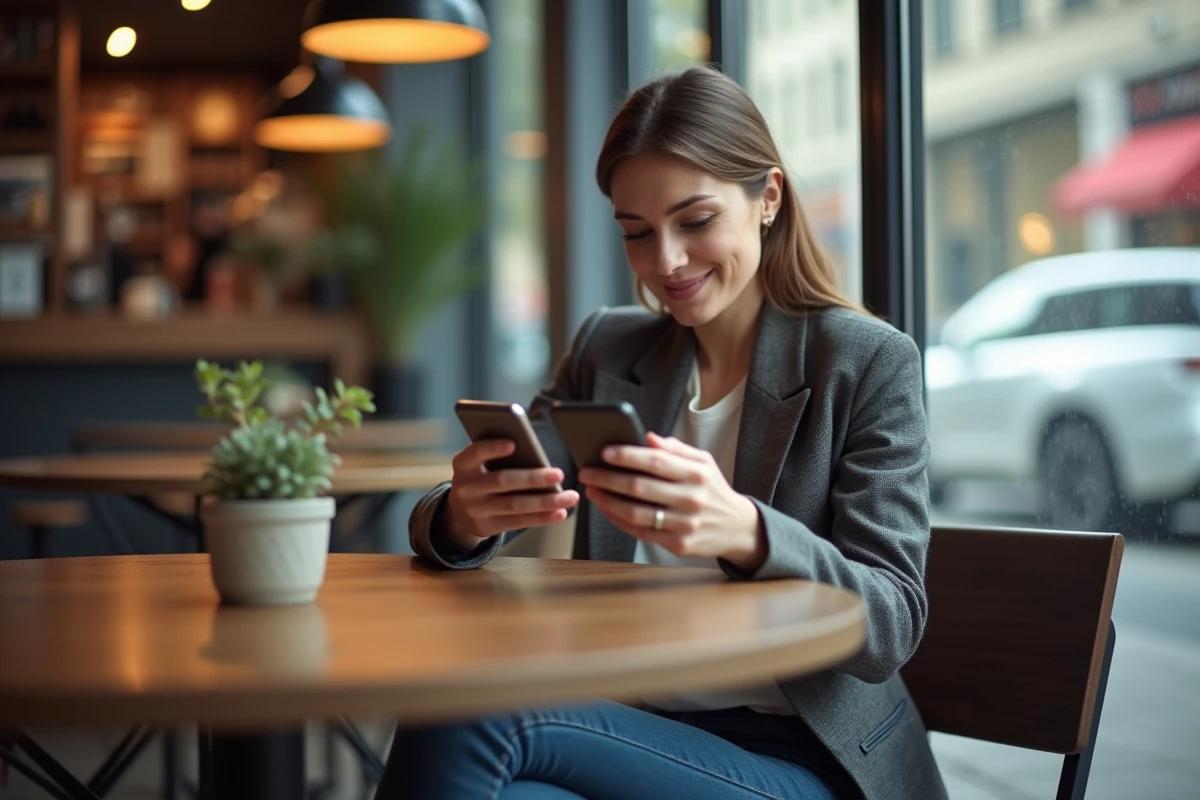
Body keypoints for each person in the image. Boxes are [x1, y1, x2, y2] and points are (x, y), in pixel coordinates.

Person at [378, 65, 947, 800]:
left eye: (696, 221)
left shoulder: (866, 363)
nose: (667, 262)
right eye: (637, 234)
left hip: (806, 760)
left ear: (767, 198)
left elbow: (892, 619)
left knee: (471, 707)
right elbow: (464, 507)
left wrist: (747, 530)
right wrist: (462, 518)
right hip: (635, 732)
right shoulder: (611, 352)